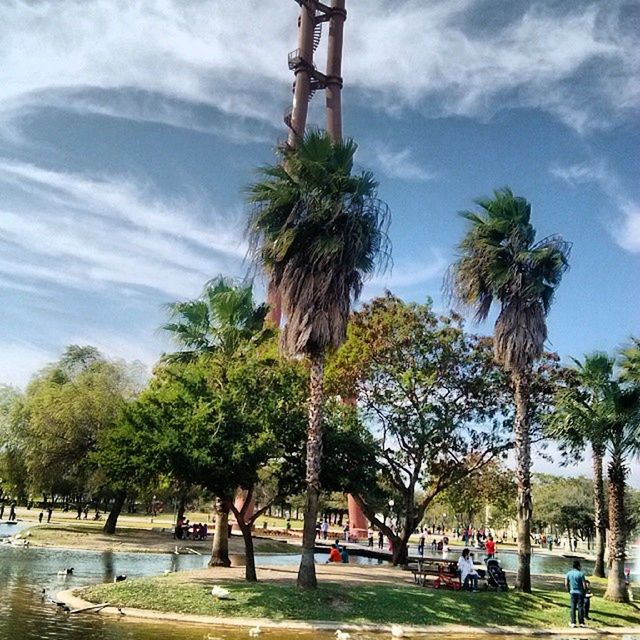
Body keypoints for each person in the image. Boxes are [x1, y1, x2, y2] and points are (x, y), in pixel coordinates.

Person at [565, 559, 587, 628]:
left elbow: (566, 583)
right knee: (580, 607)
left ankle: (573, 622)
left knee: (573, 607)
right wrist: (584, 592)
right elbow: (584, 585)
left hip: (572, 592)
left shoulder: (568, 573)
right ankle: (581, 622)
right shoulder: (581, 574)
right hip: (580, 593)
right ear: (578, 566)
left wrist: (568, 590)